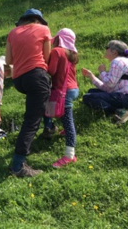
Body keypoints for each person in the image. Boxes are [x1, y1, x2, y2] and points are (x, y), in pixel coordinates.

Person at [5, 9, 51, 177]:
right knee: (31, 121)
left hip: (19, 80)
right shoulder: (43, 30)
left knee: (35, 109)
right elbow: (47, 57)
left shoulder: (12, 32)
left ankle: (49, 126)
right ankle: (17, 165)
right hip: (36, 75)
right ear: (38, 20)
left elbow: (9, 61)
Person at [82, 40, 128, 123]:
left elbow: (110, 84)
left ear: (114, 52)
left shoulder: (117, 61)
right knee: (92, 92)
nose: (105, 50)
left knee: (88, 97)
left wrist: (102, 72)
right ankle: (119, 110)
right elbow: (108, 88)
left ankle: (120, 112)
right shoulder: (125, 60)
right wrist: (92, 77)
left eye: (107, 48)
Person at [44, 29, 80, 168]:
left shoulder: (57, 51)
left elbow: (51, 71)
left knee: (67, 119)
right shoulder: (72, 53)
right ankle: (66, 130)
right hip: (73, 88)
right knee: (63, 112)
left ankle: (69, 155)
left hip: (63, 91)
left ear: (59, 39)